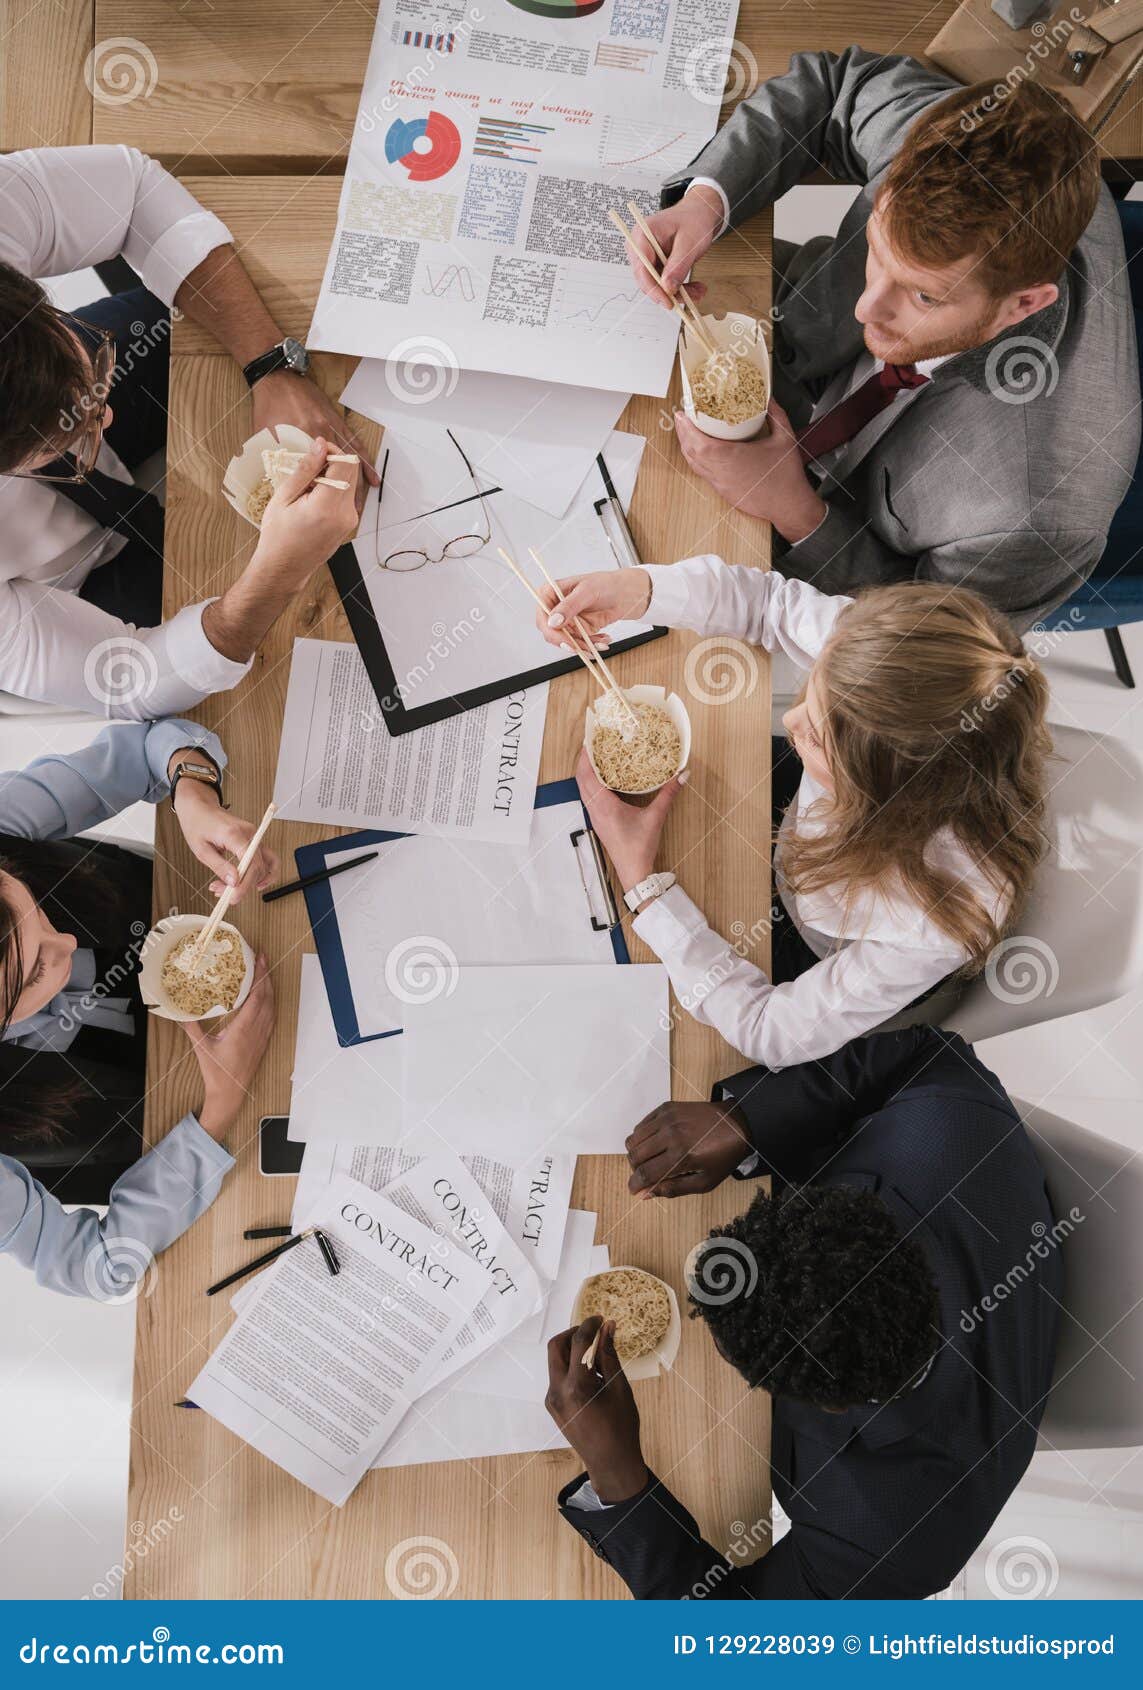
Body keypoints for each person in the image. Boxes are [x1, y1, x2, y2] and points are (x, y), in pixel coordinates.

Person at [625, 50, 1139, 631]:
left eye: (924, 296)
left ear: (1025, 303)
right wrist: (704, 203)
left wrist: (796, 510)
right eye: (877, 249)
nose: (868, 308)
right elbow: (833, 85)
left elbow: (924, 644)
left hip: (821, 520)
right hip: (777, 334)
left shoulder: (1029, 517)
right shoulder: (959, 154)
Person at [546, 1025, 1062, 1599]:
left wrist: (619, 1478)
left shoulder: (885, 1547)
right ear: (859, 1218)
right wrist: (746, 1122)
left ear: (823, 1404)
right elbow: (930, 1049)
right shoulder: (949, 1126)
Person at [537, 557, 1050, 1069]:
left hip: (808, 939)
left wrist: (641, 882)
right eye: (815, 687)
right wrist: (638, 590)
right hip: (792, 841)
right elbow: (767, 603)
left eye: (818, 736)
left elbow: (768, 1032)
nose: (789, 718)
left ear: (884, 799)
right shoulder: (880, 661)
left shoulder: (929, 925)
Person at [0, 143, 374, 715]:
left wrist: (268, 364)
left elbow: (130, 189)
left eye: (92, 383)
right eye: (64, 437)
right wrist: (277, 574)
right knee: (276, 634)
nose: (106, 414)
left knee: (196, 318)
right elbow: (131, 677)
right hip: (73, 585)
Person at [0, 714, 277, 1296]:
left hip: (257, 913)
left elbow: (149, 747)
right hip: (225, 1117)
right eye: (35, 973)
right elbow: (94, 1267)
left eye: (37, 913)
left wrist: (193, 790)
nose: (69, 944)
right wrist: (217, 1111)